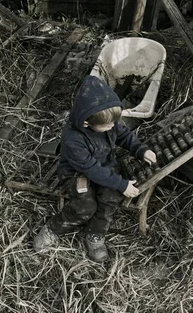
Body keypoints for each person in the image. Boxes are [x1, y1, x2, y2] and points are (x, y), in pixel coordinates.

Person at [33, 75, 156, 262]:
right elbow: (91, 169)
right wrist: (120, 183)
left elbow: (124, 136)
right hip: (77, 172)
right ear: (85, 123)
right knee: (85, 206)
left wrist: (141, 150)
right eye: (107, 125)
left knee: (111, 198)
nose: (112, 127)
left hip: (105, 166)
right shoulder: (74, 139)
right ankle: (54, 228)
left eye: (114, 122)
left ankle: (95, 235)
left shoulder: (109, 122)